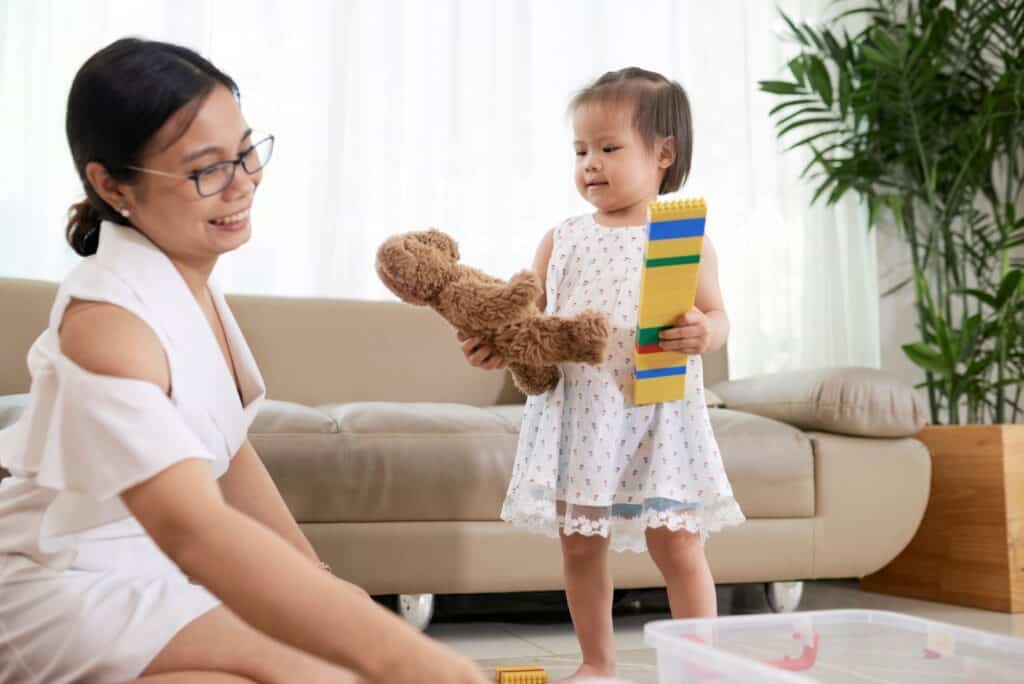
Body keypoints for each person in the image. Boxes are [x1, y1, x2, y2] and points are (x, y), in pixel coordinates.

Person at [0, 38, 487, 684]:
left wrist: (329, 587)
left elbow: (227, 453)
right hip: (70, 587)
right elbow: (193, 529)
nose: (243, 183)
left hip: (157, 574)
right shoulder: (108, 327)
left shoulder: (184, 277)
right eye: (208, 170)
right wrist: (417, 661)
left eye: (246, 152)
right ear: (110, 183)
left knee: (335, 656)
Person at [459, 67, 745, 682]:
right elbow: (524, 319)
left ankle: (701, 670)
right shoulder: (562, 238)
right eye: (581, 150)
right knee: (580, 543)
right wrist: (499, 347)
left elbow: (718, 316)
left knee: (678, 543)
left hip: (658, 411)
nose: (591, 163)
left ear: (662, 154)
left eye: (609, 148)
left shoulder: (679, 238)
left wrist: (706, 329)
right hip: (581, 413)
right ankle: (597, 663)